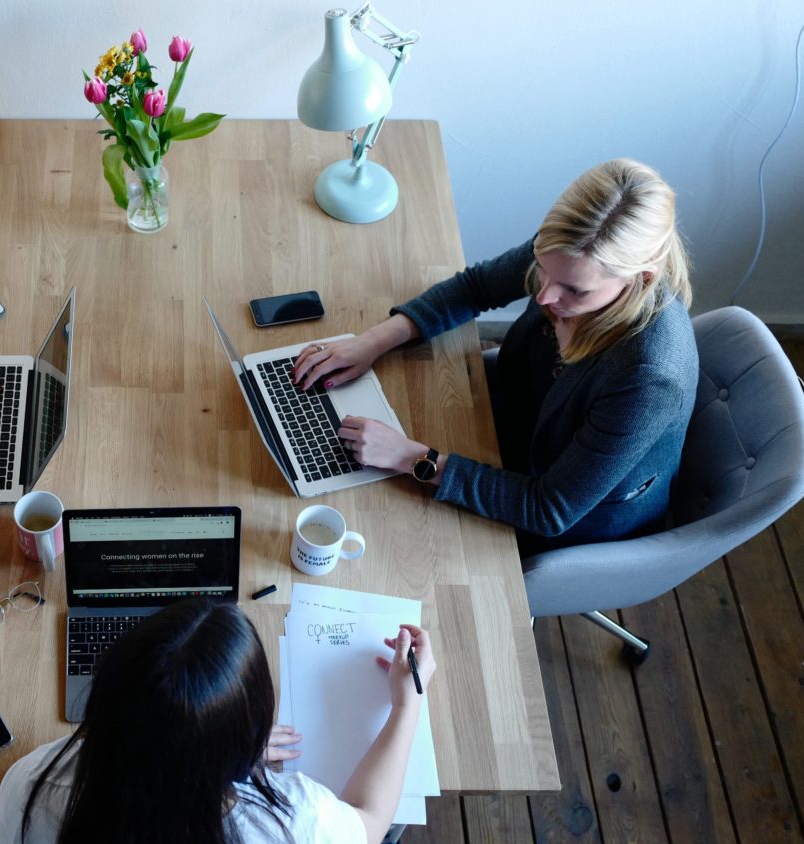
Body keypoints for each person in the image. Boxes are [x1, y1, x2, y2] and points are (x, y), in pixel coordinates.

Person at [293, 158, 697, 553]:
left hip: (566, 520)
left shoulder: (648, 377)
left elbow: (548, 509)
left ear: (640, 278)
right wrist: (372, 342)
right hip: (512, 426)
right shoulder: (569, 250)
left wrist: (409, 456)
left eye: (574, 291)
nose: (544, 296)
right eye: (542, 269)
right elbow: (476, 288)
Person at [0, 600, 434, 844]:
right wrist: (405, 703)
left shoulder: (32, 788)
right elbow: (370, 819)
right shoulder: (296, 839)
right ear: (250, 739)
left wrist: (196, 744)